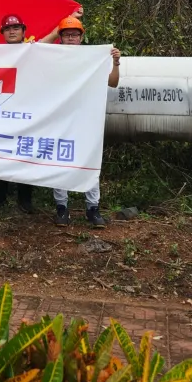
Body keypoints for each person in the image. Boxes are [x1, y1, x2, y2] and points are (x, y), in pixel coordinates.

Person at [52, 15, 120, 228]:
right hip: (61, 118)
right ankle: (61, 208)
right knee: (59, 161)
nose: (71, 38)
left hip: (86, 119)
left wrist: (116, 63)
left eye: (75, 35)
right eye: (67, 35)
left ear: (81, 38)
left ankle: (93, 208)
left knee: (89, 160)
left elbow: (113, 83)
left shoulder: (93, 58)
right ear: (61, 38)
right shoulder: (53, 58)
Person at [0, 14, 35, 215]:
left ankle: (25, 198)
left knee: (25, 153)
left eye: (16, 28)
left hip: (27, 110)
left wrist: (69, 19)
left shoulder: (32, 50)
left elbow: (51, 42)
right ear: (2, 33)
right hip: (2, 109)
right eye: (8, 29)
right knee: (1, 152)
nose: (12, 32)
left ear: (23, 31)